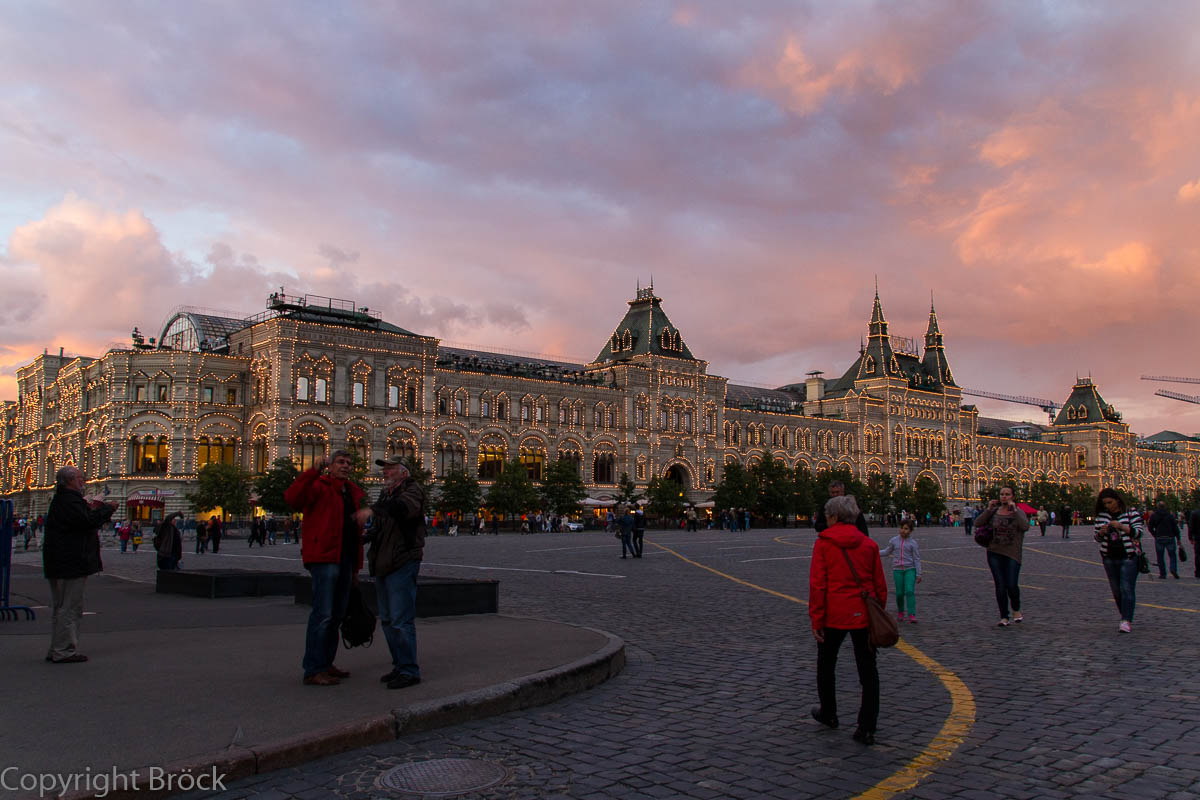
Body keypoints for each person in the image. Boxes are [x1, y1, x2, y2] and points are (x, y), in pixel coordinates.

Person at [808, 494, 885, 746]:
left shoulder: (824, 543)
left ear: (834, 517)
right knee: (868, 672)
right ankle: (867, 728)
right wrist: (876, 615)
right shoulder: (869, 545)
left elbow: (818, 585)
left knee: (826, 665)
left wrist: (816, 619)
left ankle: (829, 713)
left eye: (827, 515)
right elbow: (880, 587)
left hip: (833, 615)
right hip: (864, 615)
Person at [285, 451, 365, 687]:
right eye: (341, 462)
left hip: (345, 558)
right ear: (329, 466)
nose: (346, 466)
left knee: (336, 615)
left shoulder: (349, 492)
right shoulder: (319, 486)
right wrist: (312, 470)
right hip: (325, 558)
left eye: (349, 463)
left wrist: (355, 570)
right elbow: (293, 498)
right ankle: (313, 669)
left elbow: (352, 532)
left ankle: (326, 663)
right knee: (323, 614)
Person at [355, 456, 426, 690]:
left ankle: (409, 670)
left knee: (400, 620)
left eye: (390, 469)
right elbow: (381, 526)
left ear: (403, 472)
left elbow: (402, 510)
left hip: (402, 561)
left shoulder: (412, 490)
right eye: (384, 469)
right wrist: (366, 535)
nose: (385, 473)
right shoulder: (387, 494)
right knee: (387, 620)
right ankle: (399, 665)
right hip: (383, 562)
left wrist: (372, 509)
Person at [42, 466, 117, 663]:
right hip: (71, 562)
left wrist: (92, 509)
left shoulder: (62, 500)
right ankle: (65, 650)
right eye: (79, 478)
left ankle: (56, 648)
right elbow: (86, 522)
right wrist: (107, 509)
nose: (83, 481)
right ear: (70, 481)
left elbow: (80, 520)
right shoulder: (69, 500)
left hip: (59, 562)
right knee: (70, 607)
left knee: (61, 607)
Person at [973, 486, 1030, 627]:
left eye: (1007, 494)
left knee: (1011, 584)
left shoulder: (1019, 512)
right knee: (1000, 585)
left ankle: (1016, 609)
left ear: (1013, 497)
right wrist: (988, 509)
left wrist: (1014, 510)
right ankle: (1004, 616)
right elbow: (977, 523)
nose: (1004, 497)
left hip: (1012, 554)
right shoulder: (994, 512)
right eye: (1002, 494)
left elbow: (1025, 526)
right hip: (994, 552)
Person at [1094, 488, 1145, 632]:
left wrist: (1122, 527)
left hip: (1128, 557)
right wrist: (1101, 532)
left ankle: (1126, 620)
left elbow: (1138, 533)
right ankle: (1125, 615)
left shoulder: (1130, 512)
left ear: (1117, 500)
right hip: (1109, 558)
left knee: (1127, 588)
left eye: (1110, 502)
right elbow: (1096, 538)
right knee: (1116, 591)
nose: (1107, 506)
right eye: (1105, 504)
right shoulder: (1102, 516)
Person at [880, 519, 922, 623]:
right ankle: (900, 611)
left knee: (909, 591)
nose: (903, 531)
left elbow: (917, 558)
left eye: (906, 529)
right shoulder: (894, 541)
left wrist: (918, 573)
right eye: (902, 528)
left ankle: (912, 614)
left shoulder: (913, 543)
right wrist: (874, 552)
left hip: (910, 569)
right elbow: (886, 551)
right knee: (899, 593)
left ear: (911, 531)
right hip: (897, 570)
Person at [1147, 501, 1181, 579]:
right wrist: (1178, 538)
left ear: (1157, 507)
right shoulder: (1170, 515)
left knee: (1160, 556)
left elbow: (1150, 527)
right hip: (1170, 537)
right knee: (1172, 555)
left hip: (1159, 537)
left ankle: (1162, 574)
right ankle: (1173, 569)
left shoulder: (1154, 515)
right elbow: (1175, 528)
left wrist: (1155, 534)